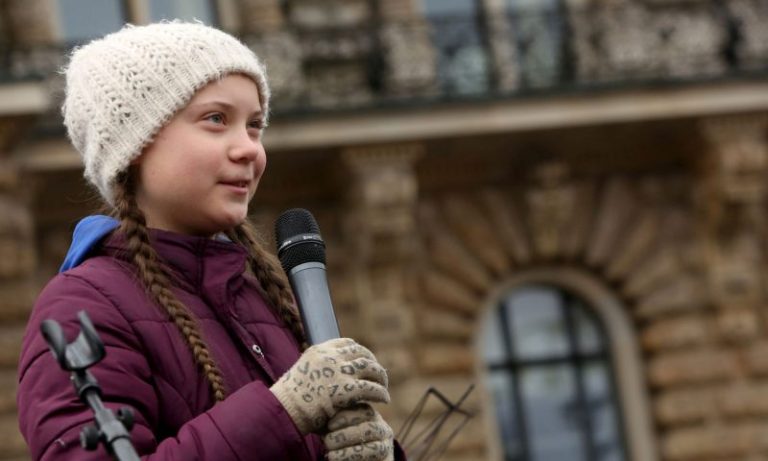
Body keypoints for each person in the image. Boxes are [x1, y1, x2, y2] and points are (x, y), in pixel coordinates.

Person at [17, 21, 405, 461]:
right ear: (136, 144)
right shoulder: (81, 308)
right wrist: (283, 411)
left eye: (255, 125)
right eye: (216, 119)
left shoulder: (260, 299)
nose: (249, 149)